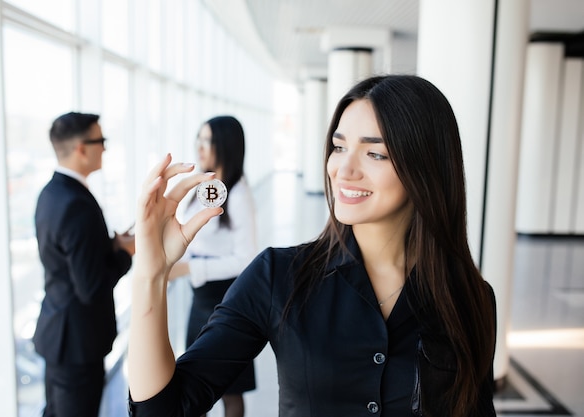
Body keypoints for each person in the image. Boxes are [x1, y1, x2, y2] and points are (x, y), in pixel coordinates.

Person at [127, 75, 497, 417]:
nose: (343, 169)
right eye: (338, 147)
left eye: (375, 153)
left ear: (426, 168)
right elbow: (164, 409)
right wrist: (151, 273)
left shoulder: (469, 298)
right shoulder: (278, 277)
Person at [33, 112, 135, 417]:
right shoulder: (76, 203)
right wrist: (126, 253)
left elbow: (67, 258)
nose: (104, 148)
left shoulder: (52, 193)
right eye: (100, 140)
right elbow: (91, 287)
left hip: (60, 334)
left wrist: (110, 245)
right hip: (78, 342)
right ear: (81, 148)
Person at [168, 116, 258, 417]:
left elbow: (246, 260)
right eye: (199, 139)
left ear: (226, 146)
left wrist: (190, 270)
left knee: (230, 388)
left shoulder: (238, 193)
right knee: (194, 382)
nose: (200, 147)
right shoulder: (205, 185)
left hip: (227, 298)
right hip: (201, 298)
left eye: (208, 141)